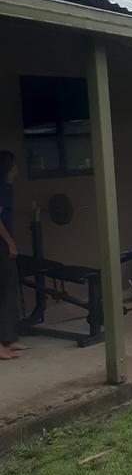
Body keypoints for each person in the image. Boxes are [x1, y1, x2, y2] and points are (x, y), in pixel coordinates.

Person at [0, 150, 25, 360]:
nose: (17, 169)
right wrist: (10, 243)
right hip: (1, 246)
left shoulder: (7, 189)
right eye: (15, 165)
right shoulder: (3, 189)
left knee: (9, 290)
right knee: (3, 291)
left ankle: (10, 338)